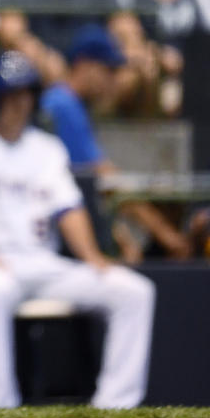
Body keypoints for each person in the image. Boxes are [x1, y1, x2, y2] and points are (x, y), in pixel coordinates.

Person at [0, 51, 156, 409]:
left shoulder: (47, 148)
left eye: (25, 95)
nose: (19, 105)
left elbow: (69, 209)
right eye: (10, 96)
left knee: (133, 291)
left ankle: (116, 405)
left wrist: (92, 258)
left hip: (42, 262)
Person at [40, 24, 192, 261]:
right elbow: (106, 180)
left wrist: (124, 238)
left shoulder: (70, 104)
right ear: (84, 65)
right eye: (108, 70)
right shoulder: (62, 104)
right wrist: (166, 235)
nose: (113, 80)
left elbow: (93, 190)